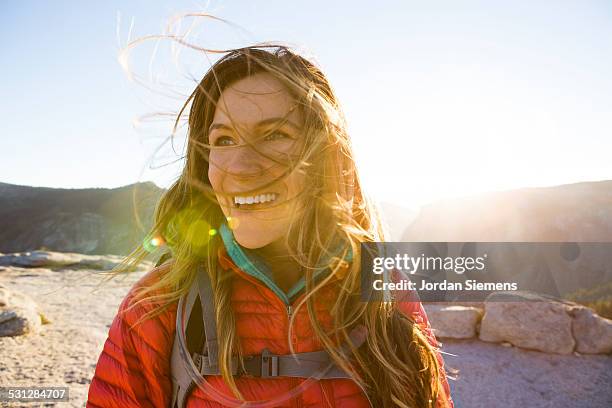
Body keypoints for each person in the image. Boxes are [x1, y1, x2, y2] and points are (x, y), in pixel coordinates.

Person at [86, 45, 454, 408]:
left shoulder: (383, 290)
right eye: (224, 139)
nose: (241, 167)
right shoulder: (160, 302)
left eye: (275, 134)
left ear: (325, 153)